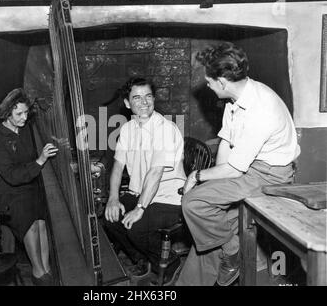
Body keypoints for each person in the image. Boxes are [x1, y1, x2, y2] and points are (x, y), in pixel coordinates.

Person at [176, 42, 300, 286]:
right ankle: (210, 268)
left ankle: (233, 254)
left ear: (222, 81)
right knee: (210, 238)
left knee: (194, 203)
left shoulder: (261, 109)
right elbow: (226, 143)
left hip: (270, 177)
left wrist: (197, 176)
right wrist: (214, 184)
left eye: (209, 81)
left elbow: (235, 169)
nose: (207, 85)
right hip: (250, 170)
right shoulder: (236, 100)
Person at [103, 77, 186, 285]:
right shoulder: (128, 129)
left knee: (136, 227)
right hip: (144, 193)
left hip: (170, 198)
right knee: (110, 218)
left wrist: (140, 208)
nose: (144, 102)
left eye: (148, 96)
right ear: (128, 103)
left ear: (154, 99)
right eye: (137, 98)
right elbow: (118, 166)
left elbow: (155, 173)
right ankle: (144, 259)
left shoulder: (164, 129)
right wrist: (113, 198)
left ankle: (171, 262)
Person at [0, 88, 58, 286]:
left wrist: (57, 146)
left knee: (42, 220)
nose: (24, 117)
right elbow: (12, 175)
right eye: (19, 114)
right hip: (5, 191)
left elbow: (31, 159)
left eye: (26, 113)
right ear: (7, 113)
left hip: (27, 185)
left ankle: (46, 268)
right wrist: (40, 160)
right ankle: (39, 272)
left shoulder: (26, 131)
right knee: (30, 219)